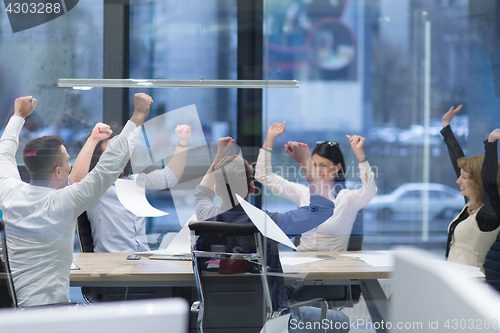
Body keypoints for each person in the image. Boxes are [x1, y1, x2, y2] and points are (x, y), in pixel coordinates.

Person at [0, 93, 152, 306]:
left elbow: (4, 154)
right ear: (58, 171)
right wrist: (138, 116)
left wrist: (18, 115)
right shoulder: (64, 201)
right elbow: (109, 167)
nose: (70, 167)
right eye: (67, 163)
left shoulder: (10, 192)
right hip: (51, 317)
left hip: (14, 317)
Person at [194, 137, 349, 333]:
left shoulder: (206, 217)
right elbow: (323, 208)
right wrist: (305, 162)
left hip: (219, 319)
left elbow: (201, 194)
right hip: (274, 323)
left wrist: (218, 158)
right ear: (252, 189)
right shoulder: (269, 223)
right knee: (342, 321)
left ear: (216, 190)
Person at [69, 122, 191, 252]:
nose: (117, 158)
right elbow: (76, 181)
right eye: (110, 154)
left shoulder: (135, 181)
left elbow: (170, 176)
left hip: (142, 258)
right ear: (98, 159)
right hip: (111, 261)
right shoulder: (93, 188)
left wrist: (183, 142)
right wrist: (93, 139)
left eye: (121, 152)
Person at [255, 122, 377, 252]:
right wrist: (270, 138)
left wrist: (359, 153)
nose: (317, 170)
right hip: (302, 261)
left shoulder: (347, 198)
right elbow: (263, 176)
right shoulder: (303, 193)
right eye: (314, 165)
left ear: (337, 168)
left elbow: (370, 190)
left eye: (323, 166)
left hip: (335, 265)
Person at [441, 105, 500, 273]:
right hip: (453, 284)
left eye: (465, 178)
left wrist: (491, 143)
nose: (458, 181)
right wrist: (446, 126)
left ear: (479, 182)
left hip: (471, 289)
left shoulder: (489, 214)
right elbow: (457, 160)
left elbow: (489, 181)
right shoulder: (471, 205)